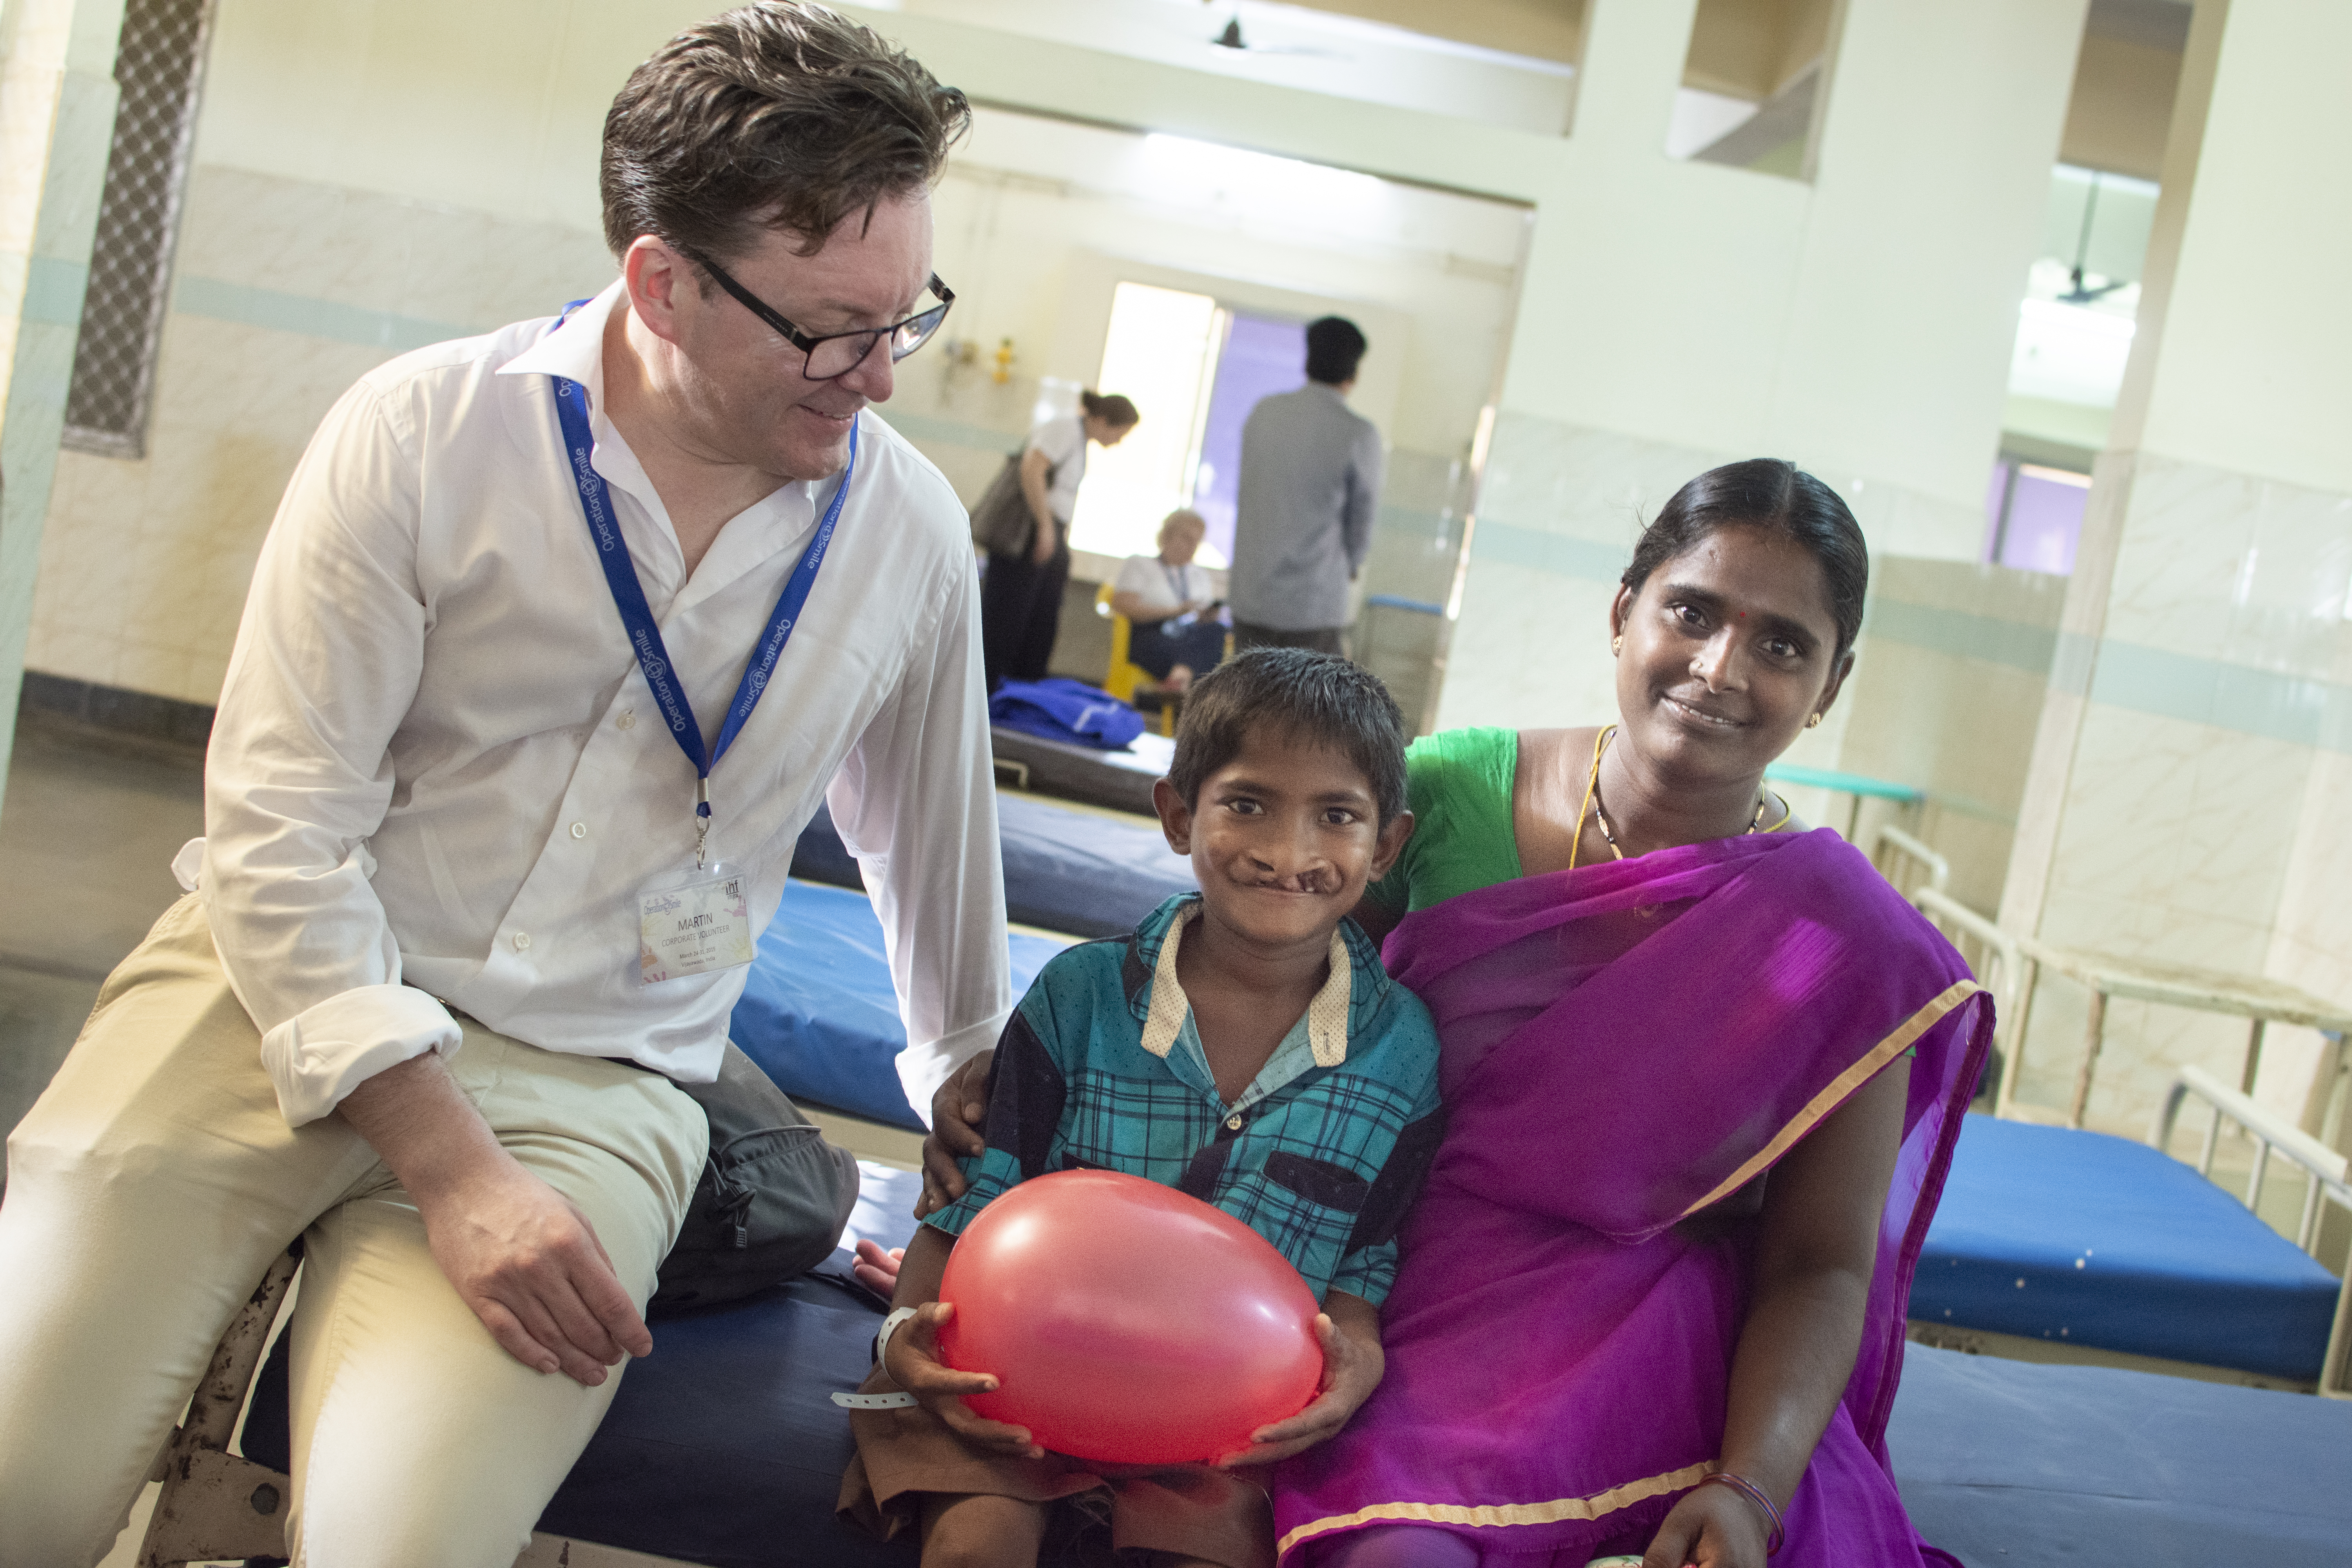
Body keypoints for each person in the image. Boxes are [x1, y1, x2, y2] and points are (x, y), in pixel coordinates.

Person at [0, 9, 1009, 1566]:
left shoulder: (908, 536)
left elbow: (931, 845)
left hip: (594, 1079)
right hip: (272, 996)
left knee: (403, 1544)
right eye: (828, 328)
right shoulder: (423, 436)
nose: (876, 376)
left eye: (906, 318)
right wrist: (451, 1170)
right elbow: (276, 838)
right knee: (20, 1484)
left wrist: (972, 1088)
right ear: (662, 279)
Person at [1270, 460, 1993, 1567]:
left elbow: (1820, 1264)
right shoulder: (1442, 795)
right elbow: (1242, 991)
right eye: (1692, 612)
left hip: (1659, 1346)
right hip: (1395, 1294)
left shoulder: (1843, 941)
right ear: (1624, 613)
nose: (1721, 668)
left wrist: (1749, 1486)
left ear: (1830, 687)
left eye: (1783, 644)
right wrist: (1034, 1089)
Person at [841, 649, 1445, 1568]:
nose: (1288, 852)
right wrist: (905, 1338)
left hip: (1221, 1429)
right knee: (976, 1546)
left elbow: (1364, 1258)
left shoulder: (1403, 1052)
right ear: (1176, 814)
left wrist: (1354, 1358)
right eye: (1247, 803)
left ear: (1387, 844)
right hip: (1003, 1384)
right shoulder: (1080, 993)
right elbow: (974, 1199)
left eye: (1336, 816)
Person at [1227, 318, 1382, 657]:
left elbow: (1248, 491)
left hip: (1251, 594)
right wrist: (1354, 563)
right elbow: (1362, 517)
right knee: (1307, 707)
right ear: (1353, 373)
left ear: (1308, 361)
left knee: (1248, 701)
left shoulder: (1264, 412)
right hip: (1312, 604)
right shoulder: (1357, 433)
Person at [982, 389, 1140, 688]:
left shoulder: (1079, 440)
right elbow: (1032, 469)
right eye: (1120, 432)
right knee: (1006, 621)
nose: (1119, 441)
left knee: (1039, 623)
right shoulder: (1066, 429)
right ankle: (993, 690)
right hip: (1028, 533)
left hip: (1048, 532)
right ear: (1104, 420)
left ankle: (1021, 690)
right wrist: (1044, 527)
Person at [1110, 507, 1229, 693]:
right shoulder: (1140, 564)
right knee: (1185, 649)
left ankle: (1180, 679)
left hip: (1188, 634)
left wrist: (1206, 615)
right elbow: (1123, 606)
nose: (1191, 546)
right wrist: (1175, 612)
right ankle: (1187, 688)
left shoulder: (1200, 575)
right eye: (1186, 538)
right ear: (1166, 536)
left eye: (1196, 541)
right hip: (1151, 634)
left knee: (1216, 631)